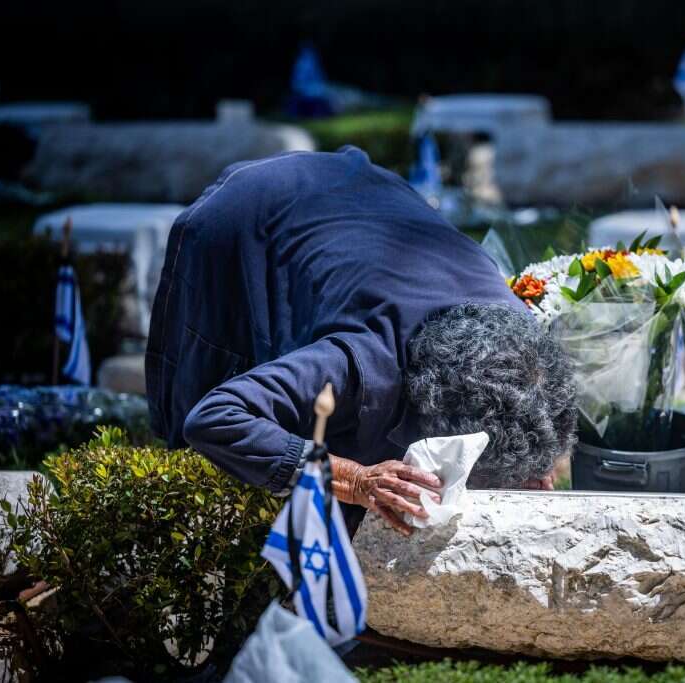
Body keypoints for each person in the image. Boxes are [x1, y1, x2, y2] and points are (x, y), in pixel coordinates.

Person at [146, 148, 577, 535]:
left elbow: (527, 418)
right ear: (424, 404)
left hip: (365, 191)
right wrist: (353, 478)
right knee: (217, 409)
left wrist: (532, 463)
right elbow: (215, 418)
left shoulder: (525, 342)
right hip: (245, 214)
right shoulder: (366, 361)